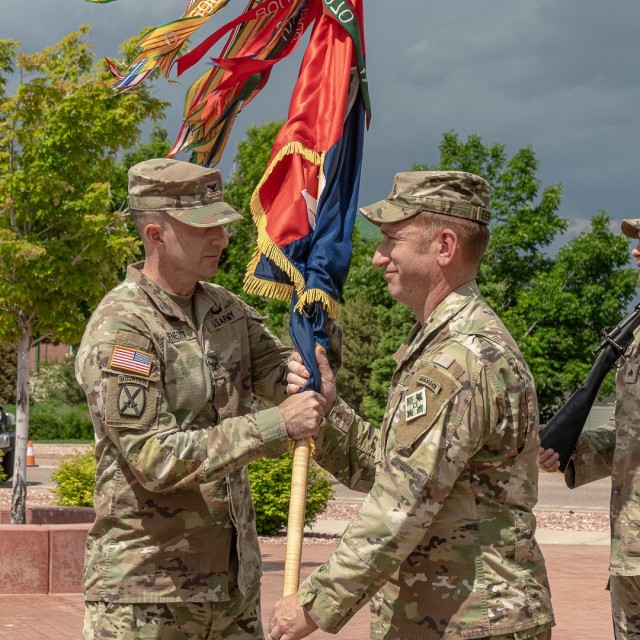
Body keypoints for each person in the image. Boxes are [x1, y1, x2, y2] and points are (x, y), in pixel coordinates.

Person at [269, 171, 555, 640]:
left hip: (474, 622)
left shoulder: (460, 357)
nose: (379, 257)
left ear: (444, 247)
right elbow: (389, 470)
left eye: (391, 240)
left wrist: (313, 605)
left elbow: (400, 506)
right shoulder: (439, 344)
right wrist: (329, 407)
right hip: (448, 618)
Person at [75, 158, 330, 640]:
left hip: (232, 594)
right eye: (204, 227)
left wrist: (315, 365)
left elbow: (284, 377)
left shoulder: (225, 309)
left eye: (222, 225)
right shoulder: (124, 327)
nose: (222, 239)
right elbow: (155, 457)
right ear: (155, 233)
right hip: (149, 598)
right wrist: (276, 424)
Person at [540, 217, 640, 640]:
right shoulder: (635, 329)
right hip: (631, 550)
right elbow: (628, 434)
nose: (635, 251)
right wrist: (568, 449)